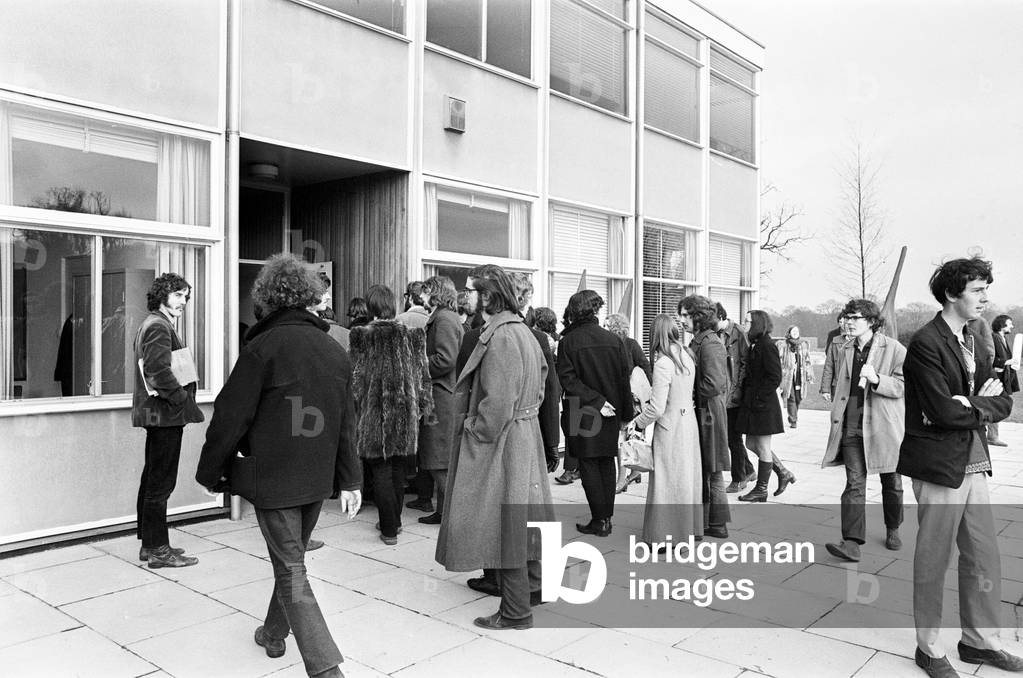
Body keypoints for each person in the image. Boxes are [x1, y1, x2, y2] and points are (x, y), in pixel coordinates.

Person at [195, 253, 360, 678]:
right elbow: (345, 422)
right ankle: (273, 632)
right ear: (307, 296)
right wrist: (350, 479)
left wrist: (210, 473)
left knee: (290, 567)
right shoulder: (334, 348)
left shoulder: (261, 348)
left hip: (274, 479)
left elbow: (231, 417)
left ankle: (327, 670)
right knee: (291, 561)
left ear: (267, 296)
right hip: (316, 479)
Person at [897, 256, 1022, 678]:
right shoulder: (925, 343)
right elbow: (942, 413)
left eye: (987, 288)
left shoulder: (972, 338)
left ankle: (979, 642)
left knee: (984, 556)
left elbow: (1004, 398)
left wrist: (972, 404)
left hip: (974, 458)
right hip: (938, 464)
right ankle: (928, 647)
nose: (986, 298)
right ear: (952, 294)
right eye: (977, 290)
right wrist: (970, 406)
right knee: (935, 558)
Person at [435, 269, 554, 631]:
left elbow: (498, 403)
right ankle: (530, 593)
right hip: (522, 434)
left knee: (506, 525)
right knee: (521, 518)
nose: (466, 295)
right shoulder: (523, 331)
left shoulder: (502, 336)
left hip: (504, 440)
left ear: (487, 297)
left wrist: (475, 427)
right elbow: (542, 384)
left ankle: (516, 611)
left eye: (472, 291)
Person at [821, 299, 906, 562]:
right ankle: (851, 542)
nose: (848, 321)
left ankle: (893, 528)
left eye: (855, 317)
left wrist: (878, 379)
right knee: (854, 484)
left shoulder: (893, 348)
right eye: (847, 317)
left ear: (870, 321)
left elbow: (904, 385)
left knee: (891, 482)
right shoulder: (844, 347)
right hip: (851, 425)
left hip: (882, 427)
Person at [132, 273, 204, 568]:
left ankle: (151, 545)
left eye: (186, 297)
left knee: (153, 480)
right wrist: (181, 400)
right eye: (178, 295)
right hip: (164, 416)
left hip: (158, 416)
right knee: (160, 484)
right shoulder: (159, 326)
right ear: (162, 295)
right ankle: (159, 550)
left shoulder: (152, 323)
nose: (183, 302)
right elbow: (158, 371)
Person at [351, 284, 432, 545]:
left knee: (381, 470)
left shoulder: (361, 336)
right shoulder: (413, 335)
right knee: (398, 469)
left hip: (373, 412)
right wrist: (422, 409)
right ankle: (393, 522)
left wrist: (356, 408)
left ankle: (388, 528)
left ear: (370, 306)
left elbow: (354, 379)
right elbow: (423, 376)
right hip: (404, 413)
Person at [557, 289, 634, 537]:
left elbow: (568, 380)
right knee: (606, 461)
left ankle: (599, 520)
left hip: (583, 409)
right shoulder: (614, 340)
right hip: (611, 410)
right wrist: (626, 414)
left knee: (589, 463)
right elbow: (624, 381)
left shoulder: (568, 341)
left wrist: (596, 401)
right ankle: (606, 518)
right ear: (595, 311)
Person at [632, 314, 701, 545]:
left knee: (665, 483)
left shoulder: (663, 363)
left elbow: (657, 407)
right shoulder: (686, 355)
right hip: (688, 423)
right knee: (685, 480)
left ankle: (663, 536)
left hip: (670, 427)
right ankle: (686, 531)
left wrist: (638, 422)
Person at [679, 295, 731, 537]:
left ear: (699, 316)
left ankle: (717, 523)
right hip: (704, 411)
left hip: (708, 413)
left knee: (712, 469)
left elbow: (713, 383)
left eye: (686, 315)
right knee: (707, 468)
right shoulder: (701, 341)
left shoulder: (709, 343)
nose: (682, 320)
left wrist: (685, 389)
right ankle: (708, 522)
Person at [415, 276, 464, 525]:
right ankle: (445, 513)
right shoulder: (446, 317)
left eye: (424, 292)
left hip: (442, 399)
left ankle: (451, 516)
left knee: (439, 460)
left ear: (434, 293)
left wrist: (418, 365)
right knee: (439, 459)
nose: (421, 297)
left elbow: (446, 359)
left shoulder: (443, 319)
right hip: (442, 396)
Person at [736, 310, 795, 502]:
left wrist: (758, 398)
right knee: (751, 444)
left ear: (757, 324)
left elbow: (775, 377)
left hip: (763, 405)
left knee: (762, 446)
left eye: (747, 321)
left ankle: (761, 489)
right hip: (754, 404)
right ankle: (782, 472)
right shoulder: (755, 344)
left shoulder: (767, 345)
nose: (744, 323)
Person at [604, 312, 651, 493]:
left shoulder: (630, 344)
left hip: (634, 399)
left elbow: (645, 366)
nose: (604, 328)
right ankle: (629, 474)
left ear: (615, 326)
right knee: (623, 439)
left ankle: (625, 477)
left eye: (607, 325)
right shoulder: (609, 344)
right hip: (621, 398)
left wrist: (647, 393)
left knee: (629, 439)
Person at [717, 303, 755, 493]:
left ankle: (739, 478)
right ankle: (748, 470)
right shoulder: (717, 334)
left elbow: (745, 364)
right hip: (725, 394)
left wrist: (737, 391)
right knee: (732, 437)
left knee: (734, 438)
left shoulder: (738, 333)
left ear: (721, 317)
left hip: (735, 395)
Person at [988, 314, 1018, 447]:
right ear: (1002, 325)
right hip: (995, 378)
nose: (1012, 326)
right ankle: (992, 437)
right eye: (1009, 323)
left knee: (996, 405)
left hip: (1002, 378)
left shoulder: (1002, 338)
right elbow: (991, 358)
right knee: (996, 405)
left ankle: (991, 435)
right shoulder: (993, 337)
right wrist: (1006, 362)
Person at [778, 325, 814, 428]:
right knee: (791, 397)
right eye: (793, 331)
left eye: (797, 331)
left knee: (798, 398)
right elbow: (779, 361)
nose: (795, 333)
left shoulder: (803, 345)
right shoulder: (783, 345)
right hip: (787, 376)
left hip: (799, 375)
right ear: (789, 332)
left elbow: (807, 360)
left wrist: (809, 374)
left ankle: (794, 415)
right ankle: (793, 420)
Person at [821, 314, 846, 401]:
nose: (843, 324)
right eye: (841, 322)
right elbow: (829, 366)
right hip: (838, 382)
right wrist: (825, 389)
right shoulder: (834, 339)